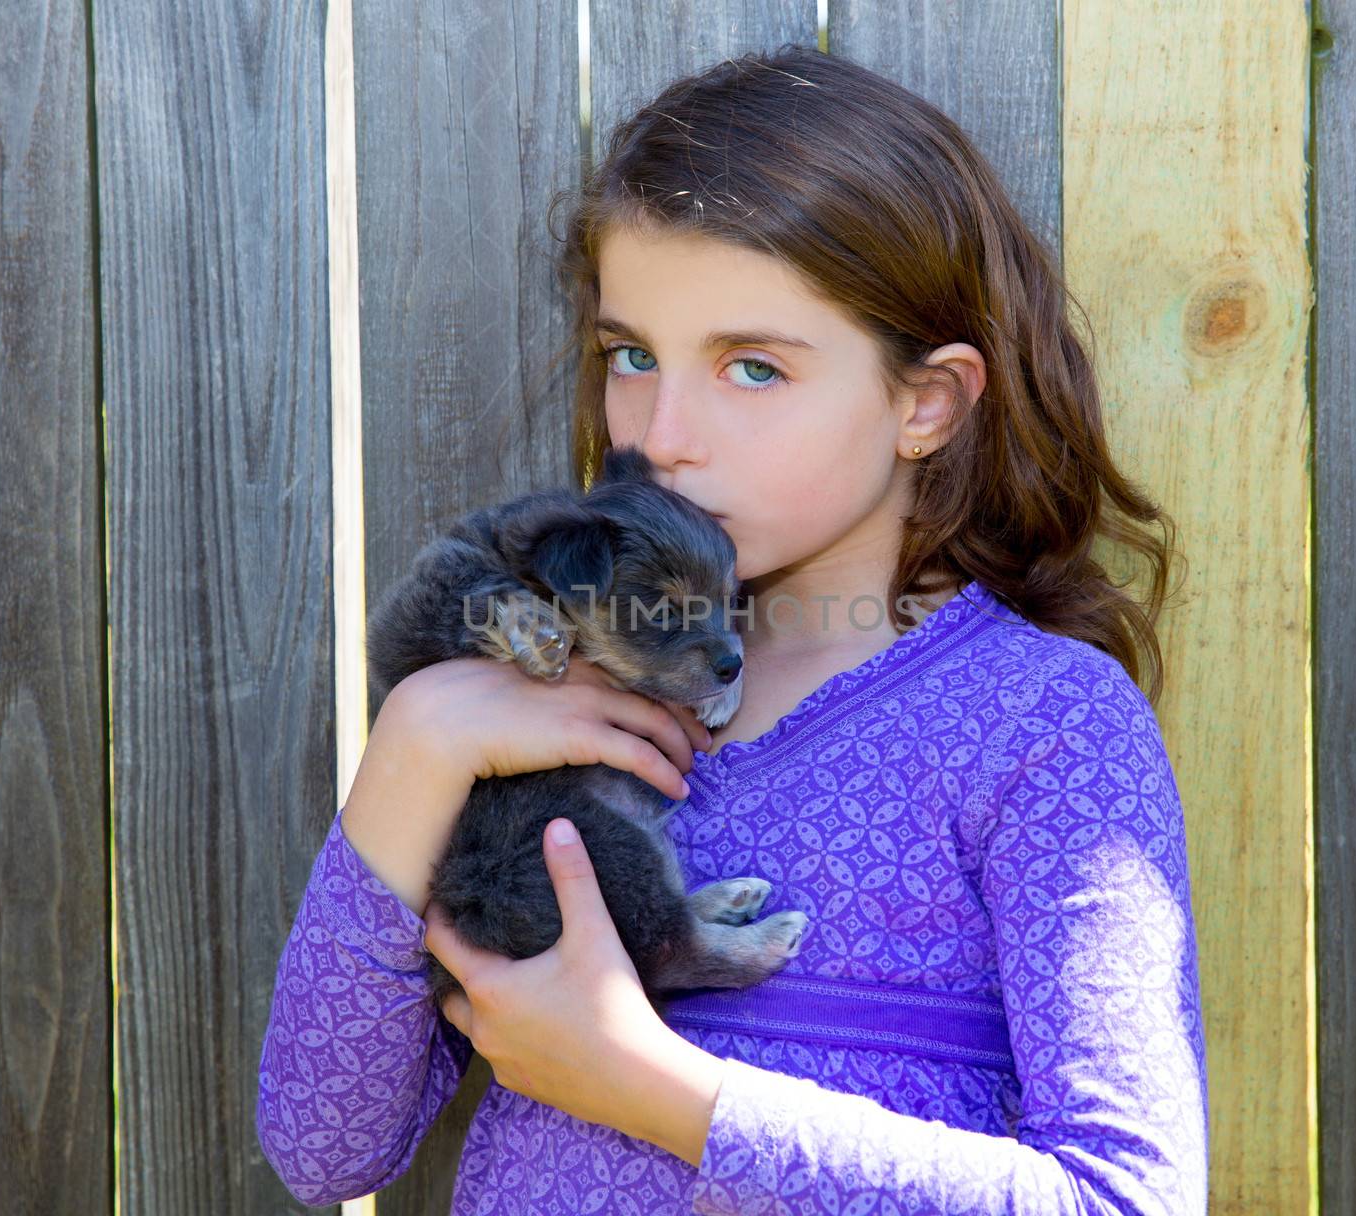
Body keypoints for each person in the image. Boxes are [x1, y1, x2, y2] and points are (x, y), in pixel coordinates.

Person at [256, 43, 1208, 1215]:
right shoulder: (537, 685)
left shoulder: (1039, 722)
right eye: (631, 357)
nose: (663, 433)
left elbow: (1124, 1198)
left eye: (752, 368)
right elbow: (321, 1145)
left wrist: (650, 1086)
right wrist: (414, 749)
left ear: (926, 402)